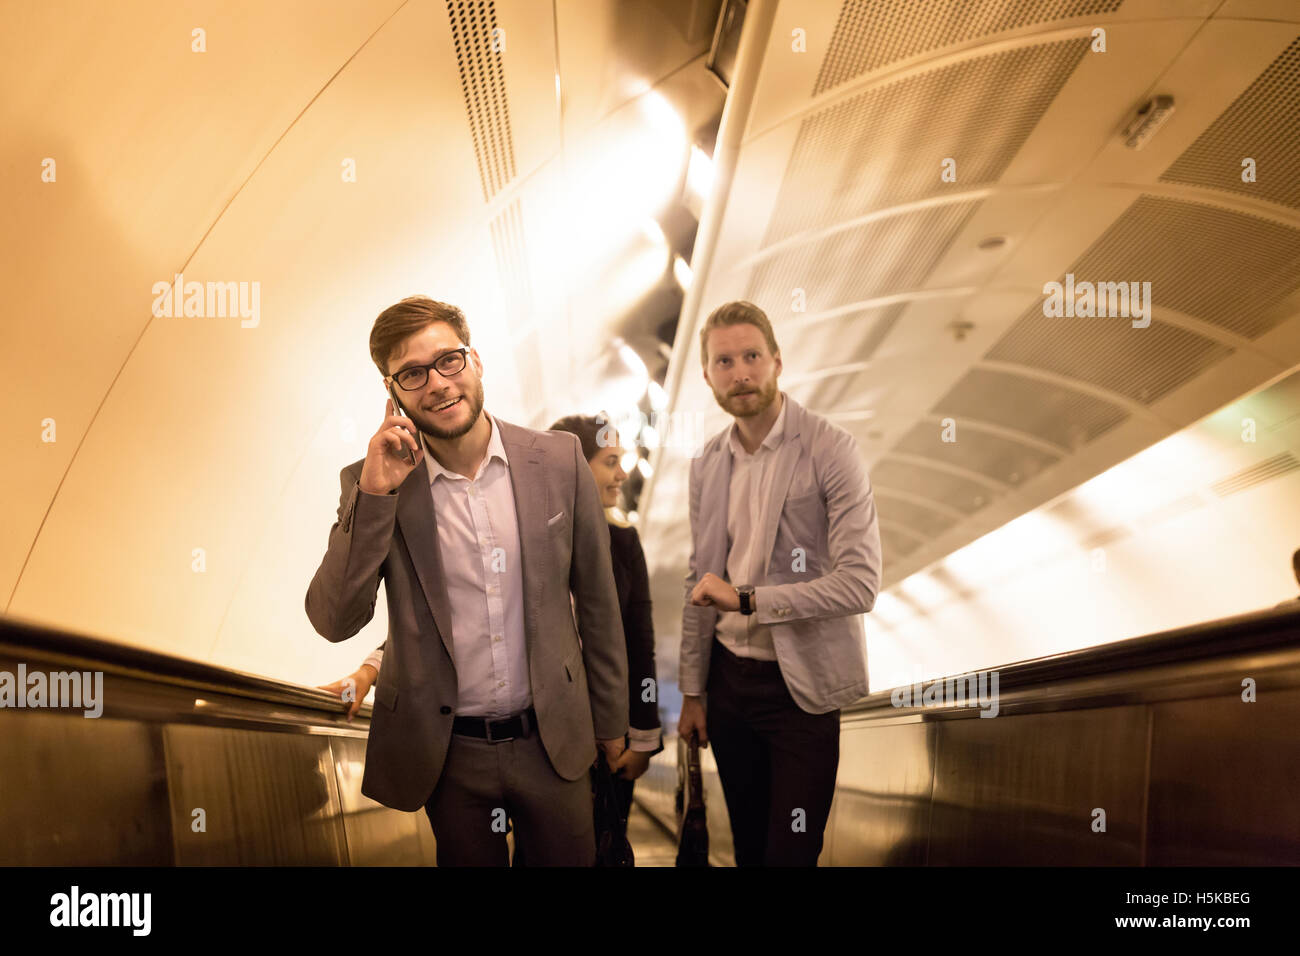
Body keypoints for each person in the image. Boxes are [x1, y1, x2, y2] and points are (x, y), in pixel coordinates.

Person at [304, 296, 628, 866]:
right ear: (393, 391)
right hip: (450, 757)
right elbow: (335, 620)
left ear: (475, 360)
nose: (437, 384)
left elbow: (598, 602)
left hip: (554, 741)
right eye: (413, 373)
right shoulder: (375, 482)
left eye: (448, 360)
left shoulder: (557, 460)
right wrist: (375, 496)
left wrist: (612, 722)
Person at [329, 416, 664, 861]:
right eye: (610, 461)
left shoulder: (620, 540)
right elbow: (461, 620)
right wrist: (372, 668)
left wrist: (625, 726)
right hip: (453, 745)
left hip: (561, 731)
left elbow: (624, 629)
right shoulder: (404, 489)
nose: (621, 473)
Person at [675, 300, 882, 867]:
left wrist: (747, 600)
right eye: (724, 361)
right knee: (747, 850)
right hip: (729, 686)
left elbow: (860, 584)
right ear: (708, 376)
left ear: (777, 362)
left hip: (803, 692)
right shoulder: (708, 463)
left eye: (751, 356)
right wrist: (693, 690)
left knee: (790, 853)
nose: (739, 372)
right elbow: (700, 578)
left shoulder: (830, 449)